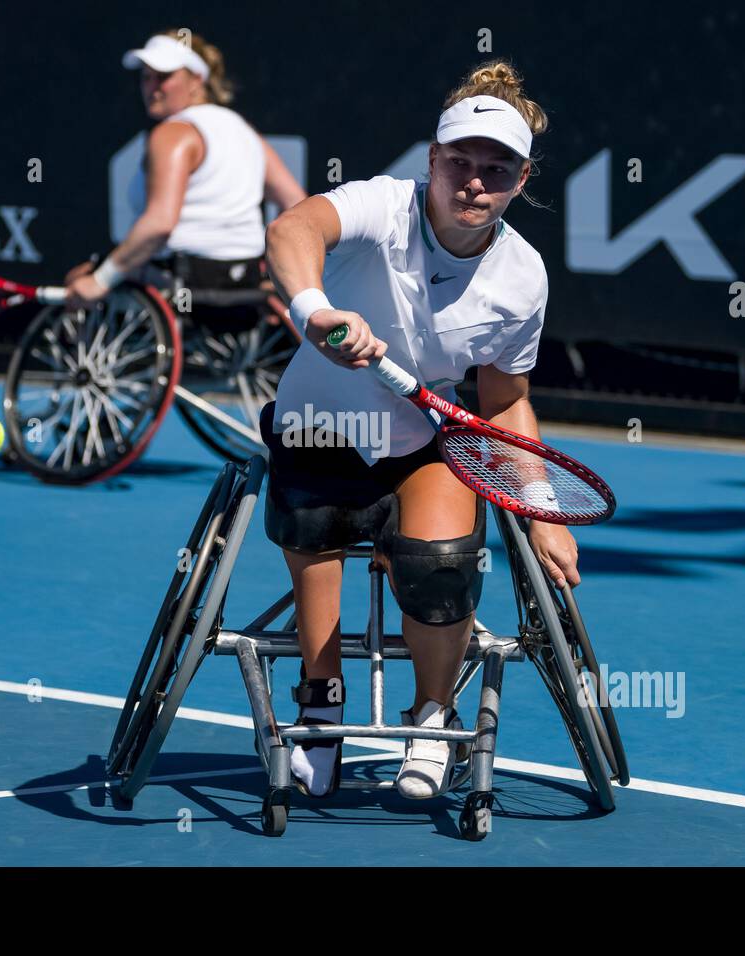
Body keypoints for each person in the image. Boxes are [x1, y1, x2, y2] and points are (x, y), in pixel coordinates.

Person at [262, 60, 581, 800]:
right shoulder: (381, 206)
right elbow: (293, 225)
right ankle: (320, 699)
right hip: (316, 427)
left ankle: (433, 718)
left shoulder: (522, 277)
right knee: (315, 524)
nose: (474, 181)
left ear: (521, 180)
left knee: (440, 568)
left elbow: (502, 403)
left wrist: (542, 510)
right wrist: (318, 310)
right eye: (459, 163)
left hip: (417, 442)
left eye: (495, 170)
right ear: (432, 162)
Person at [65, 30, 306, 306]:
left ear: (196, 80)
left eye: (164, 76)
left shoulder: (172, 134)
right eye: (146, 77)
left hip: (184, 277)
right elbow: (297, 205)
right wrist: (285, 276)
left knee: (80, 278)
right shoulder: (244, 131)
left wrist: (100, 280)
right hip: (245, 279)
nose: (152, 87)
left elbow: (160, 224)